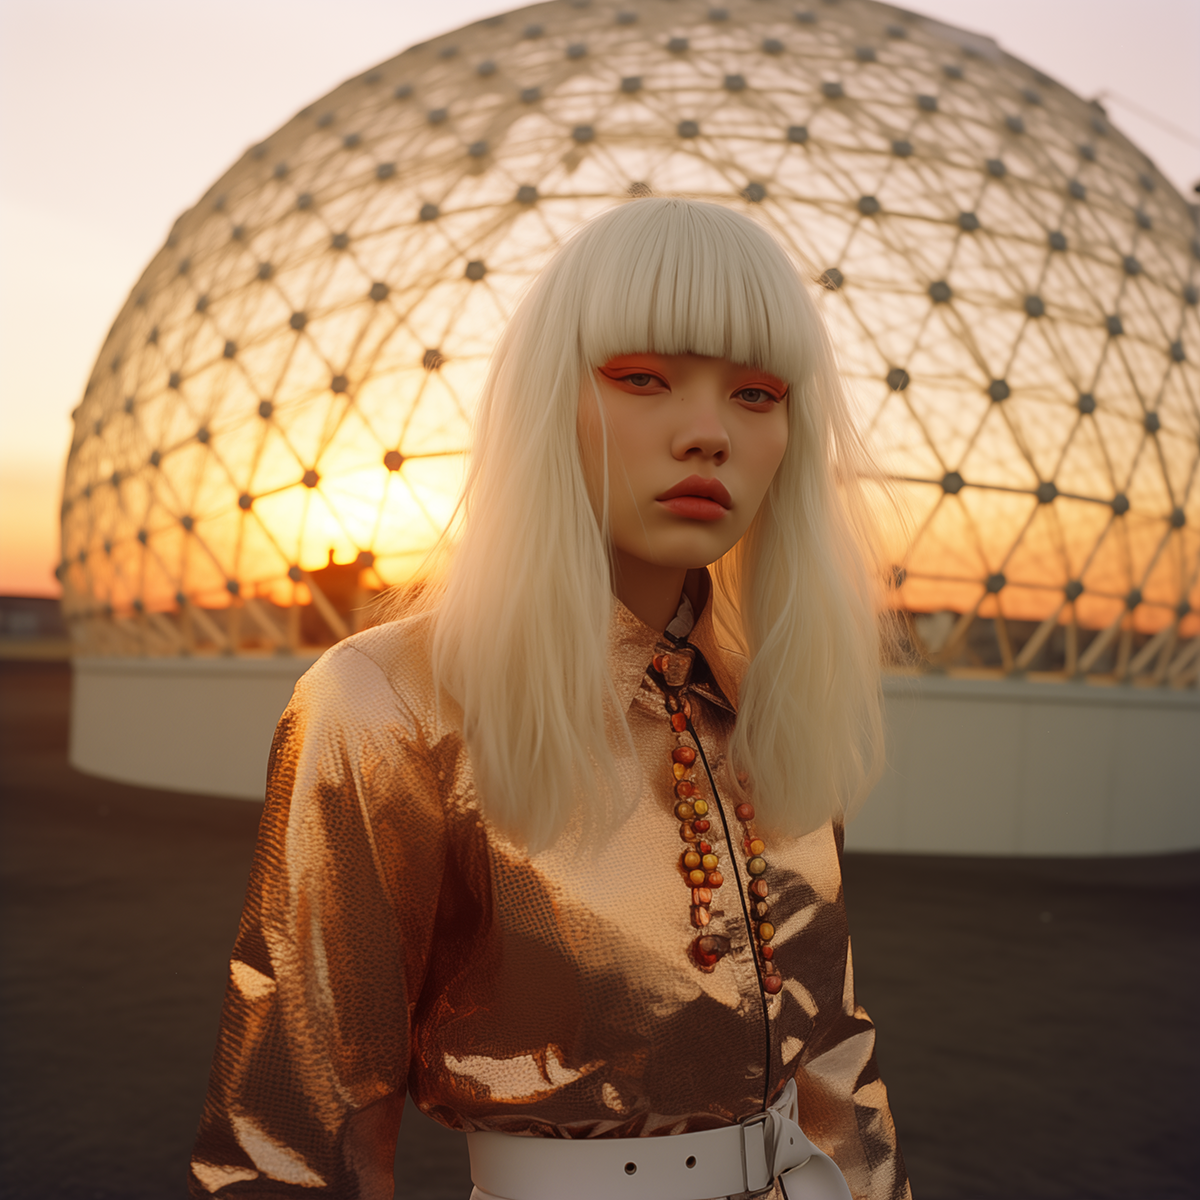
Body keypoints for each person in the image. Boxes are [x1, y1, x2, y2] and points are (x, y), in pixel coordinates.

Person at [189, 198, 910, 1200]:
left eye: (757, 394)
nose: (707, 434)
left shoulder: (771, 699)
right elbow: (299, 1133)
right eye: (644, 379)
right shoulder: (388, 706)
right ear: (546, 401)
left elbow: (834, 1060)